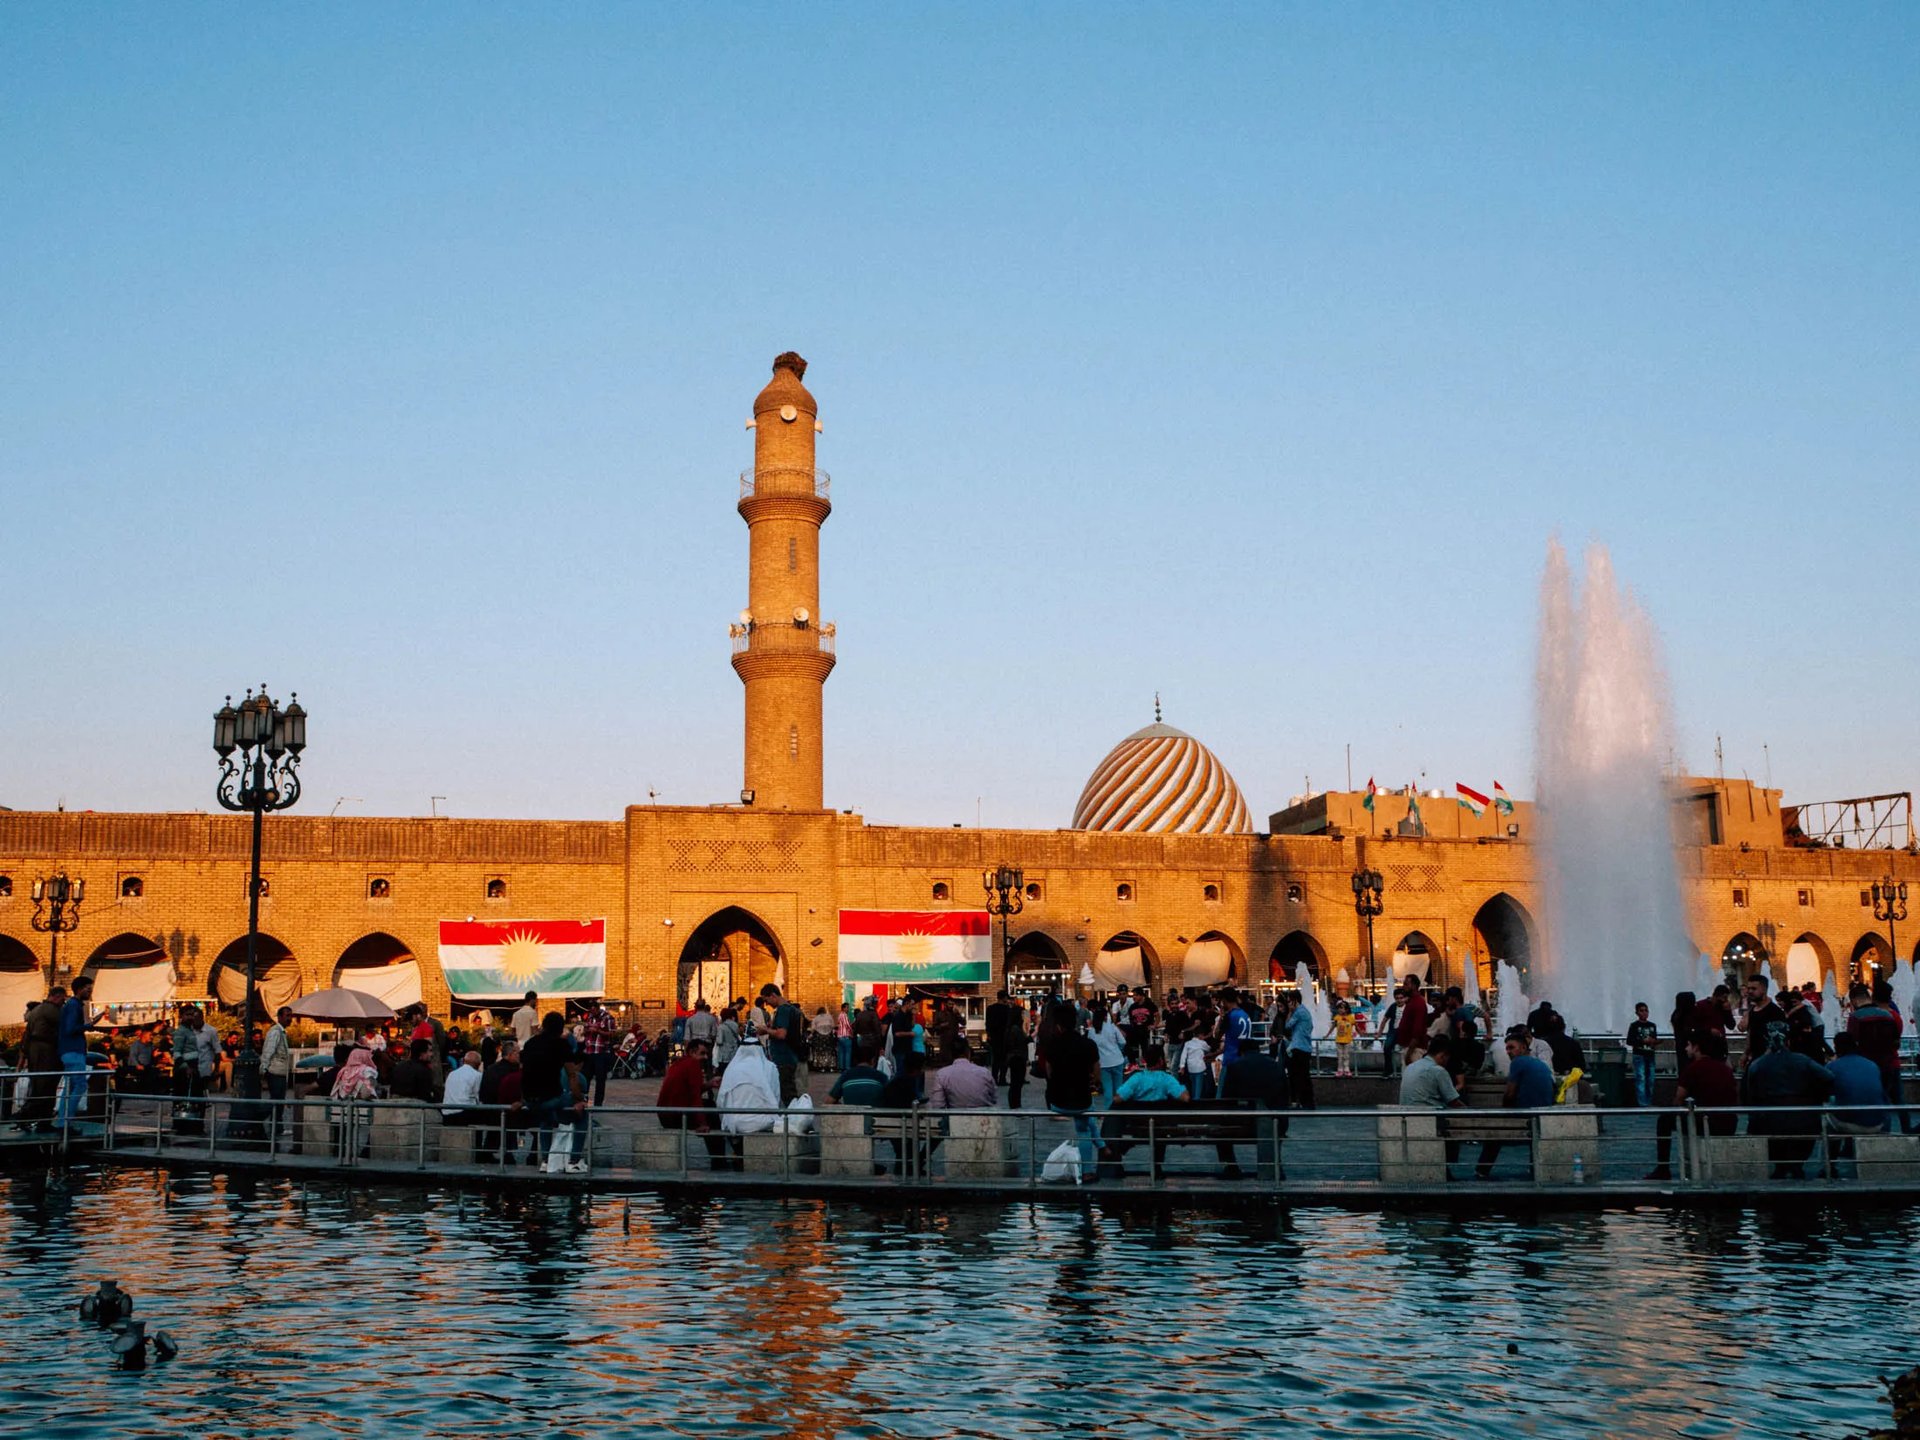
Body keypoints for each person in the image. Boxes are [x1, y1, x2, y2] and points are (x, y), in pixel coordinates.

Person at [1744, 1020, 1834, 1179]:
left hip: (1769, 1119)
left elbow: (1750, 1092)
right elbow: (1828, 1077)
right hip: (1803, 1117)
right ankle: (1796, 1166)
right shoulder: (1802, 1060)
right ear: (1789, 1040)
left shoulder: (1757, 1065)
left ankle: (1781, 1167)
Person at [1648, 1031, 1739, 1181]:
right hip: (1728, 1123)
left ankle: (1663, 1168)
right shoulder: (1725, 1069)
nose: (1686, 1049)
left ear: (1697, 1048)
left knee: (1664, 1120)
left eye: (1689, 1045)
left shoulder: (1693, 1069)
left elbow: (1678, 1099)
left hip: (1705, 1123)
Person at [1477, 1030, 1556, 1179]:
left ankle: (1482, 1170)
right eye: (1507, 1048)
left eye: (1511, 1047)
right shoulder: (1540, 1064)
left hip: (1526, 1116)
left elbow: (1510, 1094)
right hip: (1542, 1115)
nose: (1508, 1052)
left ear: (1523, 1048)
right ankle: (1535, 1168)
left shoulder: (1518, 1063)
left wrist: (1504, 1111)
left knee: (1494, 1131)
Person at [1042, 1001, 1103, 1179]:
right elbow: (1097, 1073)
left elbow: (1048, 1072)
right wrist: (1094, 1083)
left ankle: (1102, 1146)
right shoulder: (1088, 1044)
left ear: (1058, 1026)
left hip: (1057, 1101)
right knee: (1084, 1128)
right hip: (1081, 1101)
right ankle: (1088, 1170)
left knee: (1087, 1118)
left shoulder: (1052, 1045)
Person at [1216, 1039, 1291, 1181]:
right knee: (1276, 1124)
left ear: (1241, 1052)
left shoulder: (1235, 1067)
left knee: (1221, 1129)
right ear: (1258, 1050)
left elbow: (1227, 1099)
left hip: (1242, 1125)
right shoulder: (1275, 1066)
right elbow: (1285, 1096)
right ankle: (1275, 1163)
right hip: (1276, 1122)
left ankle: (1230, 1165)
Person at [658, 1037, 733, 1169]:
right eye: (702, 1053)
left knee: (709, 1106)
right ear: (692, 1052)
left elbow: (688, 1090)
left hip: (666, 1113)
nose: (705, 1057)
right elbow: (694, 1097)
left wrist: (708, 1084)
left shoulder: (679, 1063)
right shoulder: (693, 1064)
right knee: (711, 1112)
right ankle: (718, 1160)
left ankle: (718, 1159)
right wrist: (702, 1123)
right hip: (676, 1115)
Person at [1826, 1032, 1892, 1176]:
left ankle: (1830, 1165)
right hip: (1878, 1123)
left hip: (1849, 1123)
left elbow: (1826, 1092)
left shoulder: (1833, 1067)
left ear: (1836, 1047)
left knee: (1828, 1117)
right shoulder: (1872, 1065)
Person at [519, 1012, 570, 1167]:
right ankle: (573, 1158)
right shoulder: (560, 1044)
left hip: (529, 1098)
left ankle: (546, 1160)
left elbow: (523, 1069)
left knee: (545, 1120)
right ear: (560, 1028)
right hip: (551, 1096)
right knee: (578, 1109)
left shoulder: (530, 1043)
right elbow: (572, 1073)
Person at [14, 986, 65, 1131]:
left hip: (36, 1053)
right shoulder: (52, 1010)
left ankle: (33, 1119)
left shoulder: (37, 1011)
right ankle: (32, 1119)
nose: (63, 1003)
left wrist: (24, 1057)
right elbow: (64, 1026)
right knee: (46, 1088)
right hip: (46, 1053)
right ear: (56, 996)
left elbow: (26, 1037)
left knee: (39, 1088)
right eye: (62, 999)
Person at [56, 976, 95, 1128]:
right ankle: (67, 1121)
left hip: (68, 1050)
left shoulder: (71, 1005)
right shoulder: (74, 1006)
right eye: (88, 989)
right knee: (80, 1085)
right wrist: (87, 1026)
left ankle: (62, 1120)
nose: (90, 992)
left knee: (69, 1088)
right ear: (79, 989)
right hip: (74, 1050)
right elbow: (70, 1028)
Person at [761, 984, 807, 1106]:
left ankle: (793, 1115)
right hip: (791, 1056)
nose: (766, 1004)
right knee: (789, 1091)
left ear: (773, 995)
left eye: (766, 1000)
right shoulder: (793, 1010)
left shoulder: (783, 1010)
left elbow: (781, 1034)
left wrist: (765, 1030)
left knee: (788, 1094)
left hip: (784, 1058)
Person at [927, 1039, 997, 1111]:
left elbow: (938, 1105)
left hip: (955, 1116)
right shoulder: (984, 1072)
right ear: (968, 1052)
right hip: (983, 1116)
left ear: (950, 1054)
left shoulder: (942, 1074)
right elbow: (994, 1098)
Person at [1398, 1034, 1462, 1110]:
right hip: (1428, 1114)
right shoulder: (1438, 1071)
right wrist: (1467, 1110)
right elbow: (1453, 1101)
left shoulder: (1410, 1067)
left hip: (1406, 1113)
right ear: (1443, 1056)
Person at [1283, 993, 1316, 1109]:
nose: (1288, 1004)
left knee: (1297, 1075)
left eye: (1289, 1001)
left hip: (1298, 1047)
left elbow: (1287, 1026)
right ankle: (1306, 1102)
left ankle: (1303, 1102)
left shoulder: (1298, 1012)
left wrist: (1290, 1012)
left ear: (1295, 1001)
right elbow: (1311, 1027)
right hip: (1305, 1047)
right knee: (1304, 1076)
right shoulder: (1305, 1011)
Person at [1089, 1006, 1127, 1108]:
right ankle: (1120, 1110)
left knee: (1107, 1090)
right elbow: (1123, 1042)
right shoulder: (1112, 1027)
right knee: (1119, 1089)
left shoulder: (1092, 1031)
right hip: (1117, 1060)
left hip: (1103, 1064)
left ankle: (1108, 1111)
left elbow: (1091, 1048)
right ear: (1106, 1017)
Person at [440, 1050, 487, 1126]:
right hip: (465, 1113)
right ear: (478, 1064)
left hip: (447, 1113)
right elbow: (478, 1096)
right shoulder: (477, 1075)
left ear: (464, 1061)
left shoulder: (452, 1074)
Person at [260, 1005, 295, 1105]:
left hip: (281, 1073)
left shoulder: (281, 1032)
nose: (290, 1019)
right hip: (275, 1073)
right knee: (276, 1102)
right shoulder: (275, 1032)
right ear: (279, 1017)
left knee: (279, 1102)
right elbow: (268, 1051)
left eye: (291, 1016)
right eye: (287, 1016)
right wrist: (263, 1069)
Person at [1626, 1003, 1659, 1107]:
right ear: (1637, 1013)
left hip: (1650, 1054)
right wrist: (1642, 1041)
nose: (1644, 1013)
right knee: (1641, 1078)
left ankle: (1648, 1102)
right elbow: (1629, 1041)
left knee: (1651, 1079)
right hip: (1639, 1055)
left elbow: (1654, 1039)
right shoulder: (1634, 1026)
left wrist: (1654, 1042)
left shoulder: (1652, 1025)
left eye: (1646, 1010)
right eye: (1641, 1010)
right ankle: (1643, 1104)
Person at [1395, 977, 1430, 1071]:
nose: (1403, 986)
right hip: (1410, 1047)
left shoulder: (1418, 1003)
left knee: (1413, 1076)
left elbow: (1417, 1030)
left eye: (1406, 984)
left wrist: (1409, 1053)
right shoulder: (1412, 1001)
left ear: (1414, 985)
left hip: (1415, 1049)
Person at [985, 990, 1016, 1082]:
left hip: (994, 1036)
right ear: (1005, 998)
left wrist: (989, 1034)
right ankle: (1002, 1078)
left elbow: (988, 1023)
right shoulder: (1007, 1009)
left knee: (996, 1059)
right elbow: (1009, 1023)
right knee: (1004, 1059)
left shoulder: (990, 1008)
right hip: (1005, 1037)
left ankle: (994, 1077)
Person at [1178, 1022, 1212, 1102]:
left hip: (1191, 1068)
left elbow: (1183, 1055)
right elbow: (1208, 1049)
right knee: (1198, 1089)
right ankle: (1197, 1102)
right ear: (1201, 1035)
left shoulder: (1187, 1043)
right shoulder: (1203, 1043)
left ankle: (1193, 1101)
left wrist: (1182, 1067)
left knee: (1193, 1086)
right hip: (1200, 1068)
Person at [1333, 1002, 1356, 1078]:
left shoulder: (1350, 1017)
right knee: (1340, 1056)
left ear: (1346, 1009)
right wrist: (1327, 1035)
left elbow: (1355, 1025)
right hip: (1339, 1040)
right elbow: (1333, 1026)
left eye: (1342, 1008)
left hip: (1347, 1040)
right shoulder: (1337, 1017)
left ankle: (1346, 1069)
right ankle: (1340, 1069)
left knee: (1346, 1055)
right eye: (1339, 1008)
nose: (1340, 1010)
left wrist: (1360, 1033)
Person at [834, 1003, 853, 1074]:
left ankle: (841, 1067)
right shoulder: (844, 1015)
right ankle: (847, 1068)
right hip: (845, 1036)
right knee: (847, 1053)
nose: (848, 1009)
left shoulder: (839, 1015)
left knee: (841, 1053)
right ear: (843, 1008)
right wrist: (852, 1032)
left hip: (840, 1036)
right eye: (847, 1008)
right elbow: (848, 1025)